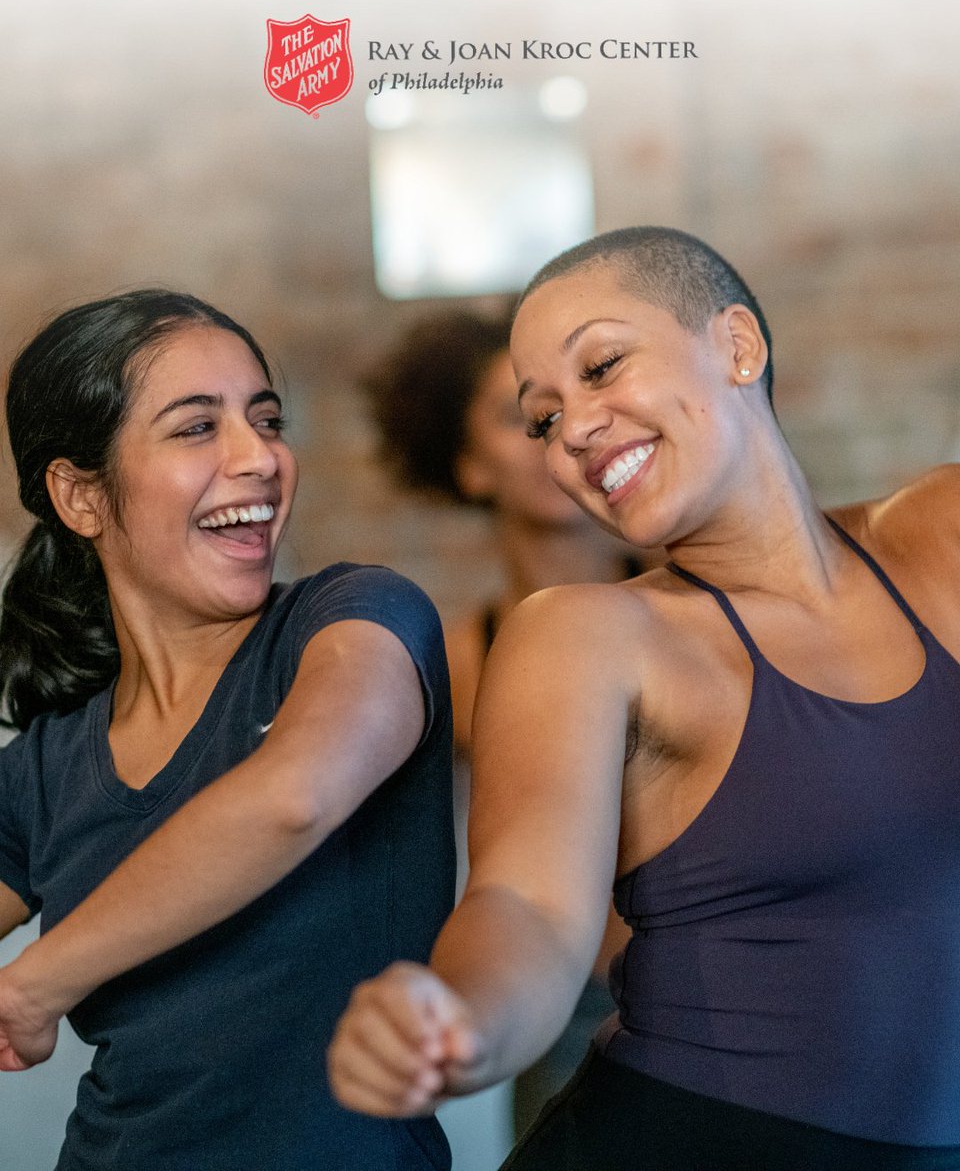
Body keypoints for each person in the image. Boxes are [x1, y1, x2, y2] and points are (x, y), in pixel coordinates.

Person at [327, 227, 960, 1170]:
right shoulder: (580, 636)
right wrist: (458, 1017)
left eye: (603, 364)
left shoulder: (939, 535)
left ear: (738, 345)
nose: (574, 429)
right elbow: (526, 904)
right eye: (542, 419)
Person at [0, 290, 455, 1170]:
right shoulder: (48, 767)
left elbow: (294, 795)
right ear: (80, 496)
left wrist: (34, 985)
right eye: (197, 428)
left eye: (267, 418)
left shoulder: (353, 621)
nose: (262, 458)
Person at [369, 311, 634, 1137]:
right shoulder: (458, 659)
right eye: (521, 421)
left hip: (724, 1005)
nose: (551, 441)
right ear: (469, 468)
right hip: (562, 1018)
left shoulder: (695, 611)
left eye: (561, 418)